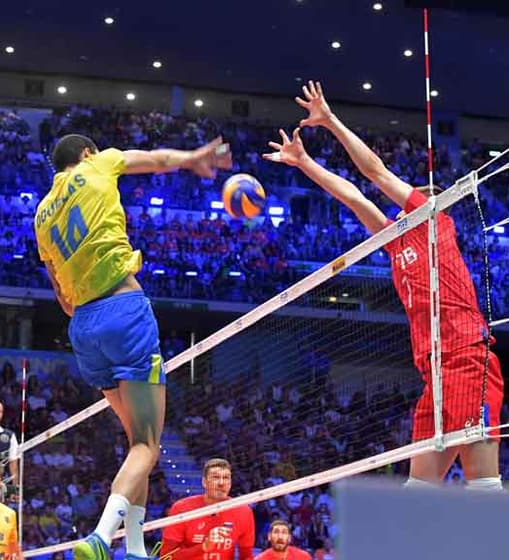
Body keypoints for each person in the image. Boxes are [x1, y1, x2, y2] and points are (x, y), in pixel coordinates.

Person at [264, 81, 504, 490]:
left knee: (482, 487)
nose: (407, 201)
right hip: (434, 372)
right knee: (419, 489)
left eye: (417, 198)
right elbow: (356, 198)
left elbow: (374, 171)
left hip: (467, 359)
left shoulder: (435, 220)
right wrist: (304, 163)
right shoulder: (397, 242)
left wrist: (331, 121)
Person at [34, 133, 232, 560]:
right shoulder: (97, 164)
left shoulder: (41, 216)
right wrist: (192, 157)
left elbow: (62, 298)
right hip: (123, 309)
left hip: (84, 328)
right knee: (147, 445)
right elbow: (157, 157)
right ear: (86, 153)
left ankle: (138, 549)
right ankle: (101, 539)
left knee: (138, 447)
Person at [160, 458, 255, 560]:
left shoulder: (243, 511)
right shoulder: (182, 509)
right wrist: (203, 547)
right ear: (204, 482)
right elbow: (165, 557)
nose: (221, 483)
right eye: (215, 477)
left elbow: (247, 556)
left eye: (226, 478)